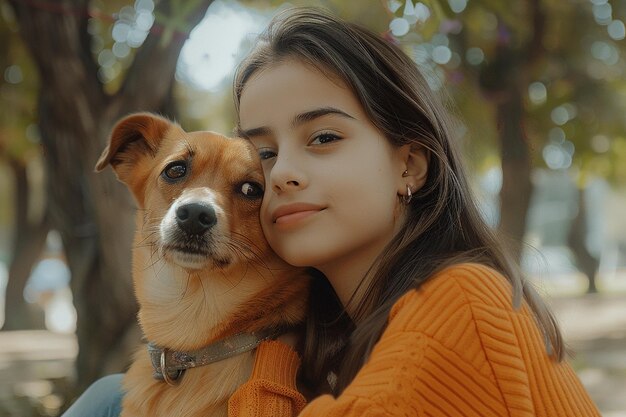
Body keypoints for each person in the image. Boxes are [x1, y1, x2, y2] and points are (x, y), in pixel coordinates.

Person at [62, 7, 601, 417]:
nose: (283, 175)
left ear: (409, 166)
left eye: (323, 137)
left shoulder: (462, 301)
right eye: (265, 154)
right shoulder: (330, 339)